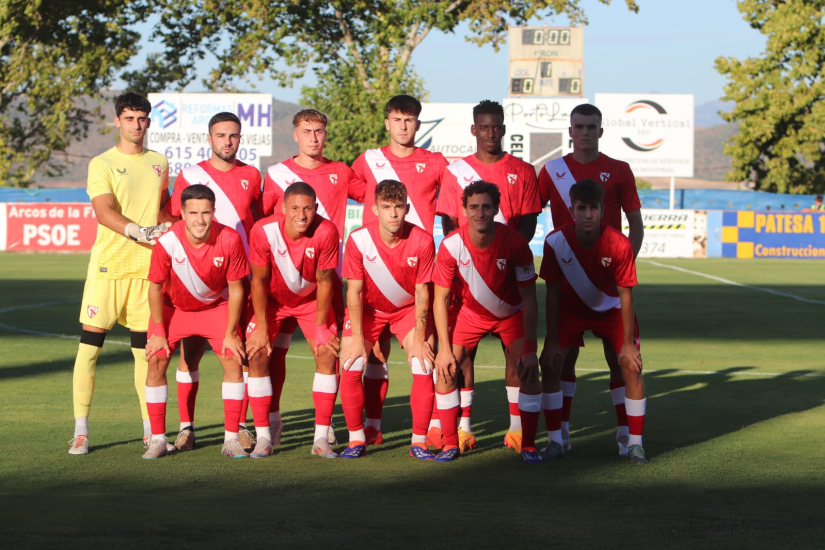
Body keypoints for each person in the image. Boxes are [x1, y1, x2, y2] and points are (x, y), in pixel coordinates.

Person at [537, 103, 645, 456]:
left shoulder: (619, 170)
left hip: (609, 286)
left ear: (601, 131)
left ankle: (627, 438)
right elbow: (527, 212)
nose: (584, 132)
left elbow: (636, 224)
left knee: (621, 361)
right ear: (570, 131)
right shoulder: (551, 171)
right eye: (578, 126)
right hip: (567, 281)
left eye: (591, 126)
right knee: (561, 359)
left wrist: (620, 267)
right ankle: (561, 435)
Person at [435, 100, 543, 450]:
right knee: (458, 360)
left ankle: (518, 433)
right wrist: (472, 260)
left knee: (520, 361)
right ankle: (461, 430)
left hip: (509, 280)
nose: (490, 132)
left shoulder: (523, 170)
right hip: (467, 288)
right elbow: (450, 223)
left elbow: (528, 221)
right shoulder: (455, 172)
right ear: (474, 130)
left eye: (496, 126)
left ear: (503, 129)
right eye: (484, 127)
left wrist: (503, 252)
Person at [68, 92, 172, 455]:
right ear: (117, 121)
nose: (137, 125)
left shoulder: (160, 162)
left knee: (146, 355)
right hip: (108, 269)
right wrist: (138, 232)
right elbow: (103, 210)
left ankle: (152, 432)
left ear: (148, 120)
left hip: (147, 272)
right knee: (89, 349)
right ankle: (81, 431)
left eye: (142, 118)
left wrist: (176, 228)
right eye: (129, 119)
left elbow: (162, 212)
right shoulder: (102, 163)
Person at [261, 109, 365, 445]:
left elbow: (378, 194)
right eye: (307, 131)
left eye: (319, 130)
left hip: (326, 278)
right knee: (271, 352)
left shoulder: (341, 171)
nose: (314, 137)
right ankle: (271, 422)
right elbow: (264, 223)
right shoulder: (276, 174)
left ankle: (325, 425)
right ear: (295, 134)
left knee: (327, 351)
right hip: (282, 281)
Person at [351, 95, 448, 445]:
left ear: (418, 124)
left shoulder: (436, 163)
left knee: (427, 352)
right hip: (374, 274)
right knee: (374, 355)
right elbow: (349, 193)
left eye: (409, 120)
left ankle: (435, 426)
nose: (403, 126)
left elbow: (452, 209)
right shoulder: (367, 161)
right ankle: (371, 428)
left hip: (418, 271)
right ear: (387, 123)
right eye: (396, 119)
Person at [164, 112, 264, 452]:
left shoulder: (252, 175)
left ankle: (239, 427)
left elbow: (257, 221)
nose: (227, 141)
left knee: (240, 355)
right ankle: (186, 428)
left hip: (239, 278)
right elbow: (178, 221)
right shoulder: (190, 175)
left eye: (233, 135)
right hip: (196, 279)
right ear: (209, 139)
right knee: (188, 355)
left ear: (240, 138)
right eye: (221, 135)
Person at [142, 184, 255, 459]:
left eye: (206, 212)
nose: (200, 219)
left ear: (214, 212)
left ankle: (230, 440)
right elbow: (155, 287)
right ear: (181, 213)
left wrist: (231, 332)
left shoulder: (229, 239)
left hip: (215, 307)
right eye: (193, 212)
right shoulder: (167, 240)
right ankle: (157, 439)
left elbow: (238, 288)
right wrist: (157, 331)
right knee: (156, 357)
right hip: (175, 308)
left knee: (232, 357)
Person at [431, 181, 539, 462]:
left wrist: (530, 349)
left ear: (496, 209)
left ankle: (526, 443)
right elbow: (439, 300)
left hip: (510, 314)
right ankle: (451, 443)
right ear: (464, 210)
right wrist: (443, 348)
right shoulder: (451, 245)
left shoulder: (515, 243)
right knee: (444, 369)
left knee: (527, 369)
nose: (480, 212)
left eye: (486, 206)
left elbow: (530, 299)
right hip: (470, 314)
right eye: (474, 207)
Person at [338, 180, 437, 460]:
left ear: (406, 208)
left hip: (407, 310)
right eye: (386, 207)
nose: (393, 214)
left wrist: (419, 339)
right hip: (367, 310)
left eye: (397, 207)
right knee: (352, 362)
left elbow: (422, 293)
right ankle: (357, 439)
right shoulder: (359, 240)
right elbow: (354, 293)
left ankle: (419, 442)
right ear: (374, 209)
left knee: (423, 363)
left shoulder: (423, 240)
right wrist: (358, 340)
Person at [245, 182, 341, 458]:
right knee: (258, 353)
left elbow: (325, 282)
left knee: (326, 352)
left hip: (311, 301)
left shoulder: (326, 231)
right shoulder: (263, 231)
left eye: (308, 208)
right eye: (295, 208)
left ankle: (321, 438)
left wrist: (322, 328)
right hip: (272, 302)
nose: (301, 215)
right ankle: (264, 436)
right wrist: (262, 328)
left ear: (316, 209)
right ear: (283, 208)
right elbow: (259, 281)